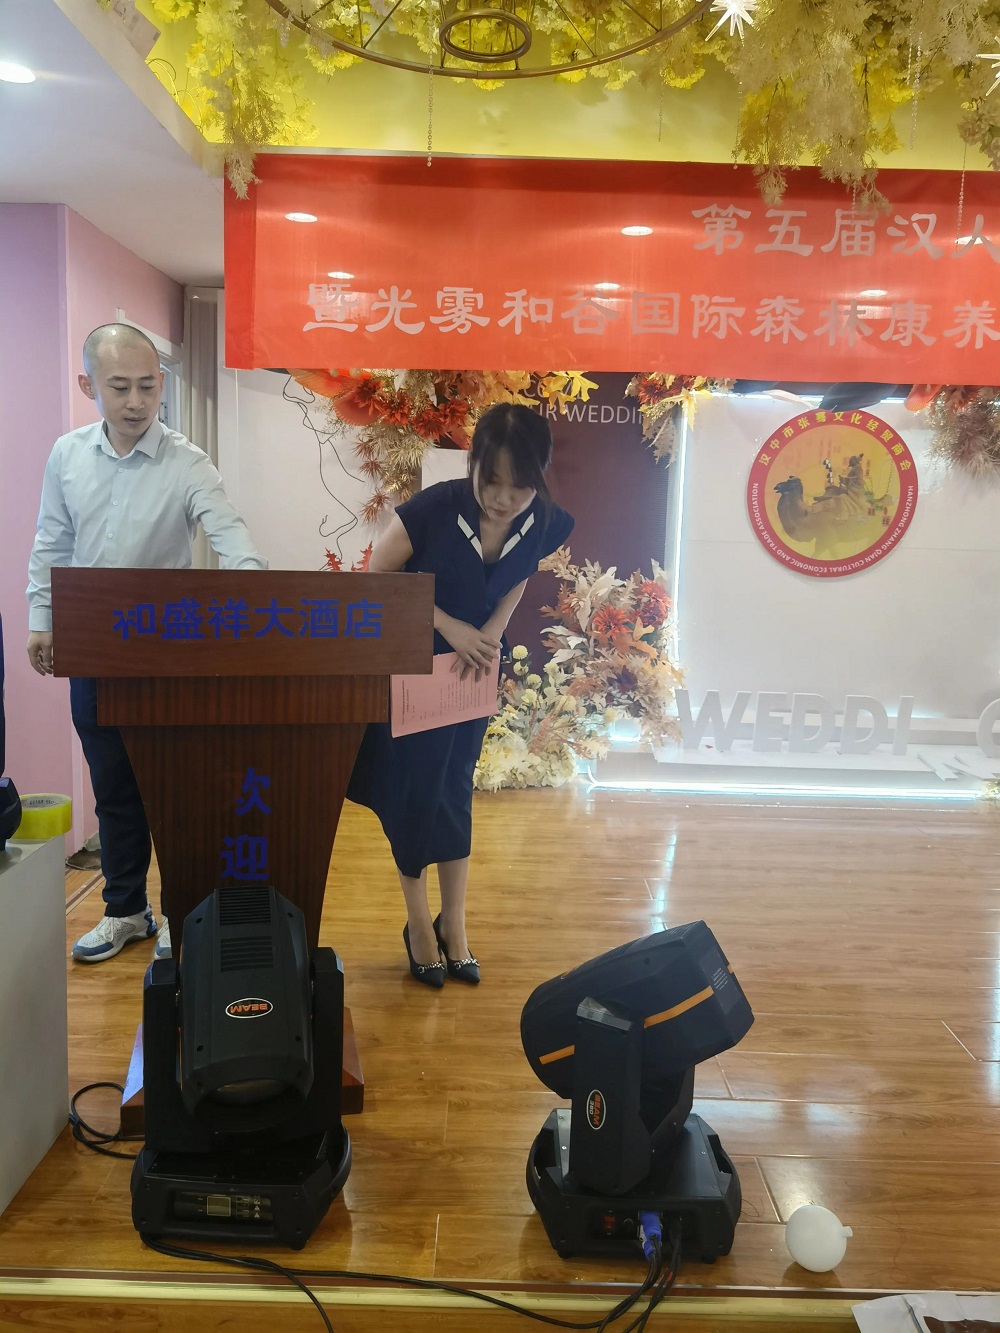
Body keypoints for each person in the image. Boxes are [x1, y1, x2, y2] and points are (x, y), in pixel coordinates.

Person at [26, 323, 267, 964]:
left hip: (167, 653)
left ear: (162, 384)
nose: (136, 402)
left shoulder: (187, 462)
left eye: (147, 386)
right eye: (119, 387)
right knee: (113, 788)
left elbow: (233, 538)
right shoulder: (67, 456)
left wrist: (255, 596)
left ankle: (184, 916)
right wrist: (42, 619)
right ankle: (125, 911)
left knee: (176, 789)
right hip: (93, 649)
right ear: (89, 386)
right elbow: (52, 541)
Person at [346, 402, 573, 989]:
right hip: (413, 668)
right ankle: (420, 925)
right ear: (473, 464)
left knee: (454, 791)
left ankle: (456, 924)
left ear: (538, 479)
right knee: (413, 794)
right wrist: (450, 627)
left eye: (519, 487)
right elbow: (377, 579)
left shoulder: (545, 520)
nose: (503, 498)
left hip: (472, 672)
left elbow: (520, 574)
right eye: (491, 481)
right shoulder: (431, 510)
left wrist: (492, 632)